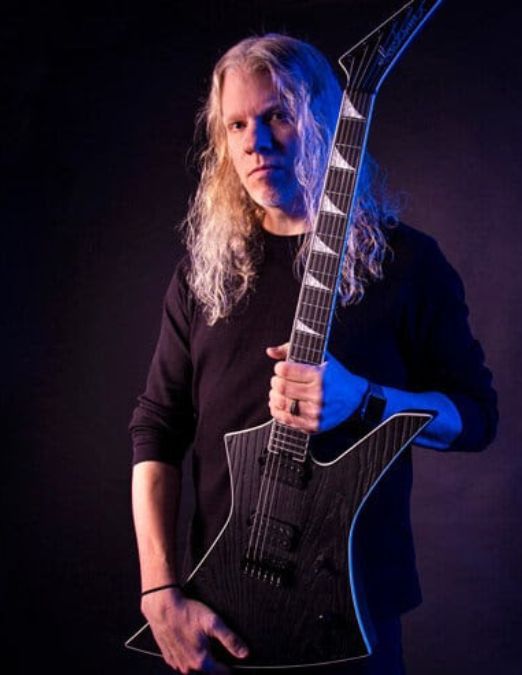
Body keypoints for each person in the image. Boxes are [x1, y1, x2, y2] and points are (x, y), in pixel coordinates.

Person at [128, 33, 498, 674]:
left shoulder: (406, 263)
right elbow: (155, 430)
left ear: (326, 120)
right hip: (220, 616)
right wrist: (159, 591)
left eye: (277, 115)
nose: (255, 142)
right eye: (236, 123)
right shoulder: (206, 273)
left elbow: (475, 418)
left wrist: (367, 400)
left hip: (352, 618)